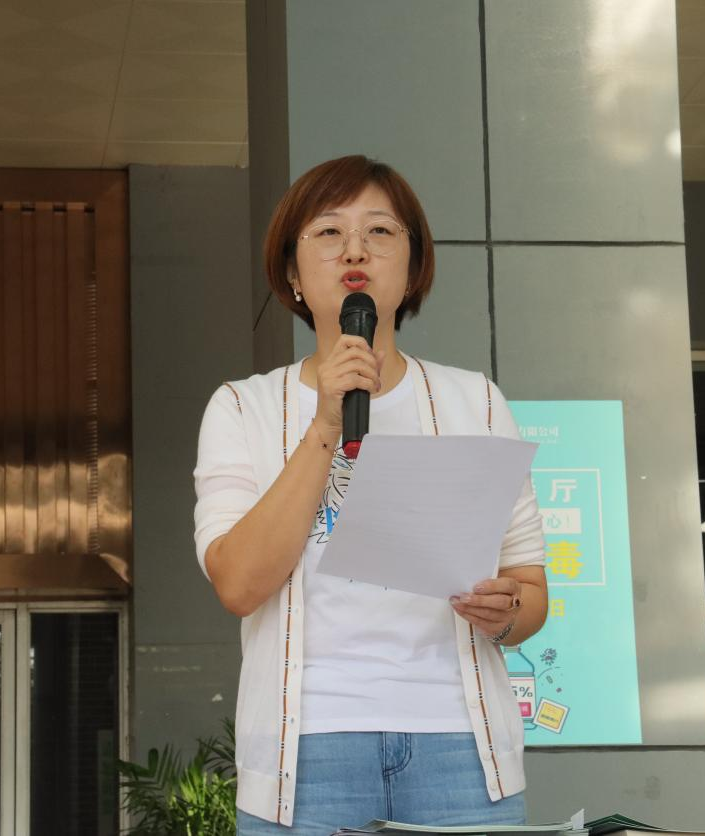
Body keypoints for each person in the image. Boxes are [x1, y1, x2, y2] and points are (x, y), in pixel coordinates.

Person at [193, 155, 548, 835]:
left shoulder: (474, 401)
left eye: (380, 231)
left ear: (412, 269)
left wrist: (503, 614)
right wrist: (325, 423)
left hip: (460, 748)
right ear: (293, 274)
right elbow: (238, 585)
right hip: (306, 753)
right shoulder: (242, 408)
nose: (355, 250)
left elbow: (529, 593)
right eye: (329, 232)